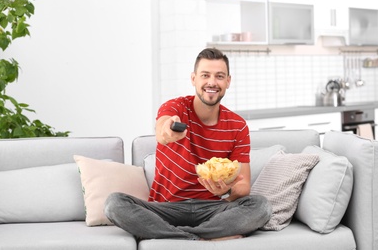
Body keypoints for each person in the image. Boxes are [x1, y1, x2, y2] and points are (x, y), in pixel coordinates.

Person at [105, 47, 271, 240]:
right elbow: (162, 129)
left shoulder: (237, 126)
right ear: (194, 79)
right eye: (205, 75)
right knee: (114, 203)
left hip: (213, 209)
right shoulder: (175, 107)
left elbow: (243, 186)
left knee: (261, 206)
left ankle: (176, 236)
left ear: (228, 81)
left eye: (219, 76)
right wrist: (166, 132)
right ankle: (201, 238)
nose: (212, 82)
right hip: (166, 208)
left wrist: (226, 190)